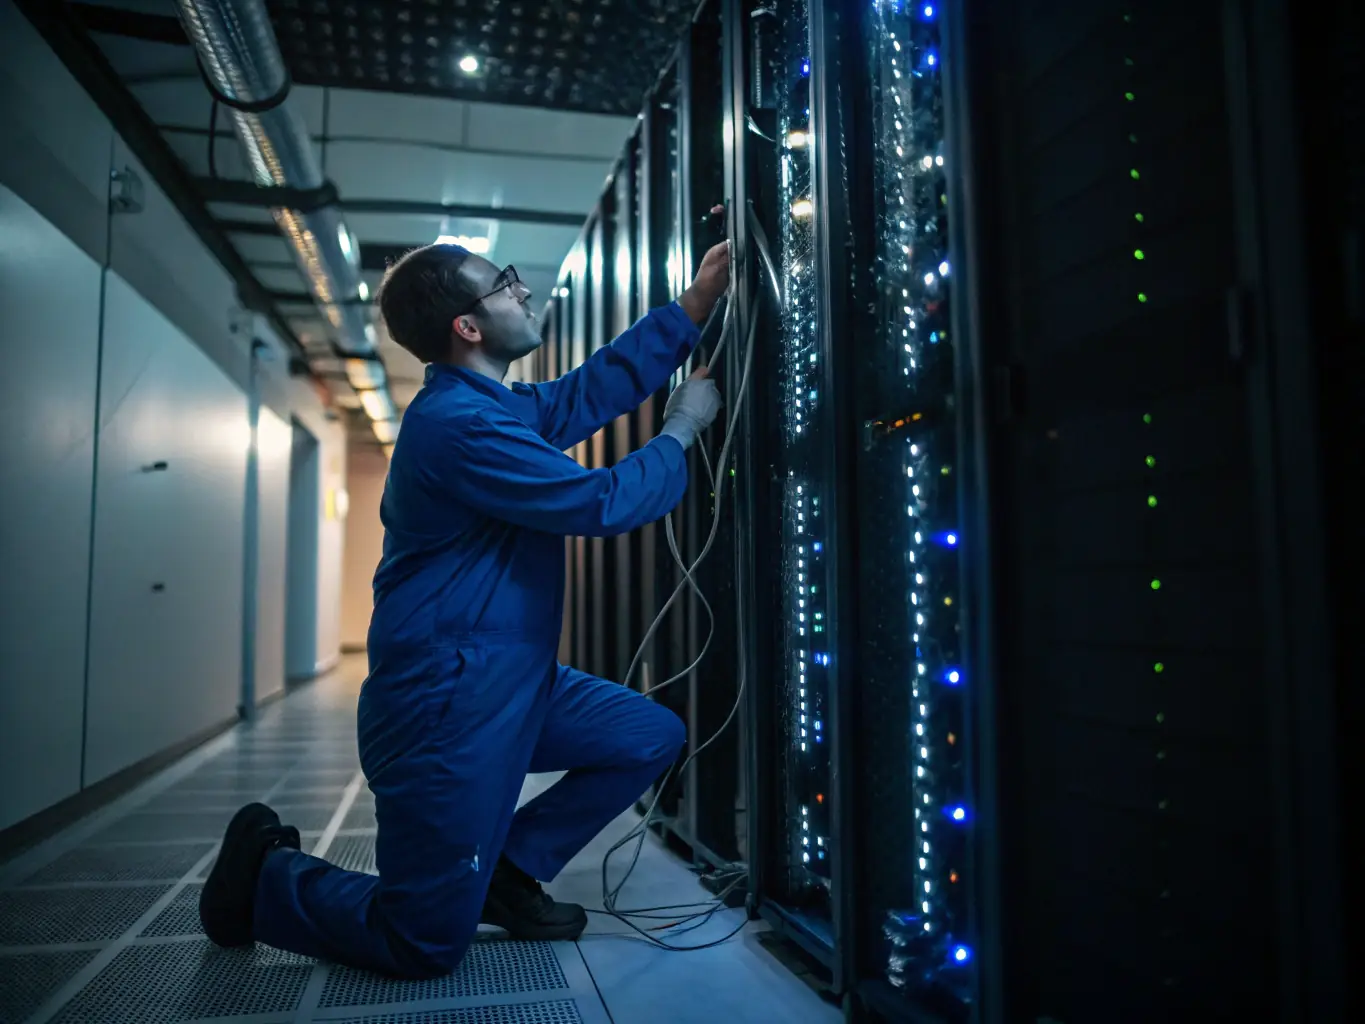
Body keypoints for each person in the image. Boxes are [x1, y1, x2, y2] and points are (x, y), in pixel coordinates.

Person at [198, 232, 730, 979]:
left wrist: (696, 302)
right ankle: (265, 879)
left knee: (646, 736)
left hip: (509, 682)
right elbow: (597, 501)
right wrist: (683, 427)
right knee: (419, 941)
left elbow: (585, 392)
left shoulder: (492, 406)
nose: (521, 290)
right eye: (503, 283)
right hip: (443, 704)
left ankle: (506, 873)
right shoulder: (459, 425)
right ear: (467, 328)